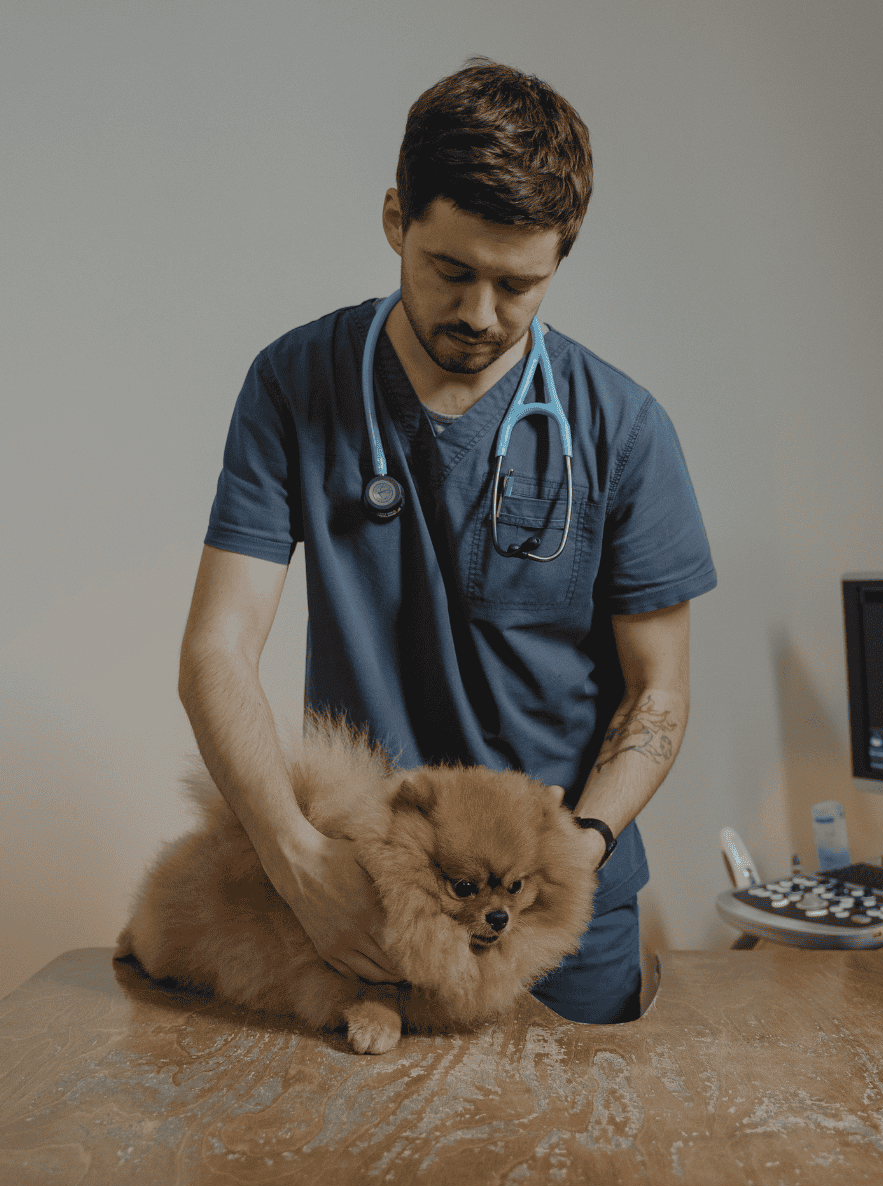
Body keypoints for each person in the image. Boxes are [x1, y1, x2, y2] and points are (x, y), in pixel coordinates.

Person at [180, 58, 716, 1025]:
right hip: (363, 901)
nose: (479, 314)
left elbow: (659, 690)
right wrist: (298, 863)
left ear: (562, 257)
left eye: (518, 285)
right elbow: (217, 649)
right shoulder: (294, 386)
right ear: (397, 220)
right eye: (451, 270)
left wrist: (577, 854)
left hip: (557, 919)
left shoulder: (624, 428)